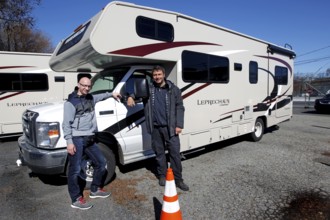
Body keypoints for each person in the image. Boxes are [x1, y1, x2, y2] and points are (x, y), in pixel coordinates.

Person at [63, 76, 121, 210]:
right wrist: (69, 142)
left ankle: (95, 189)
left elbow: (100, 96)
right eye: (84, 85)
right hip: (77, 139)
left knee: (101, 163)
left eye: (89, 86)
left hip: (89, 138)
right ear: (78, 85)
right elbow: (66, 124)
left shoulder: (90, 98)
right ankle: (76, 199)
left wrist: (112, 94)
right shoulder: (70, 103)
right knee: (75, 170)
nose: (86, 88)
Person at [127, 65, 189, 191]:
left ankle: (178, 179)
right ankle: (162, 175)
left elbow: (180, 107)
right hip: (155, 128)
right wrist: (130, 96)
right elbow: (137, 92)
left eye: (159, 74)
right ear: (152, 76)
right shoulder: (148, 89)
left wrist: (179, 125)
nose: (157, 77)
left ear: (163, 75)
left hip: (170, 128)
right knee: (159, 153)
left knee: (175, 154)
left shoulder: (173, 89)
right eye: (155, 75)